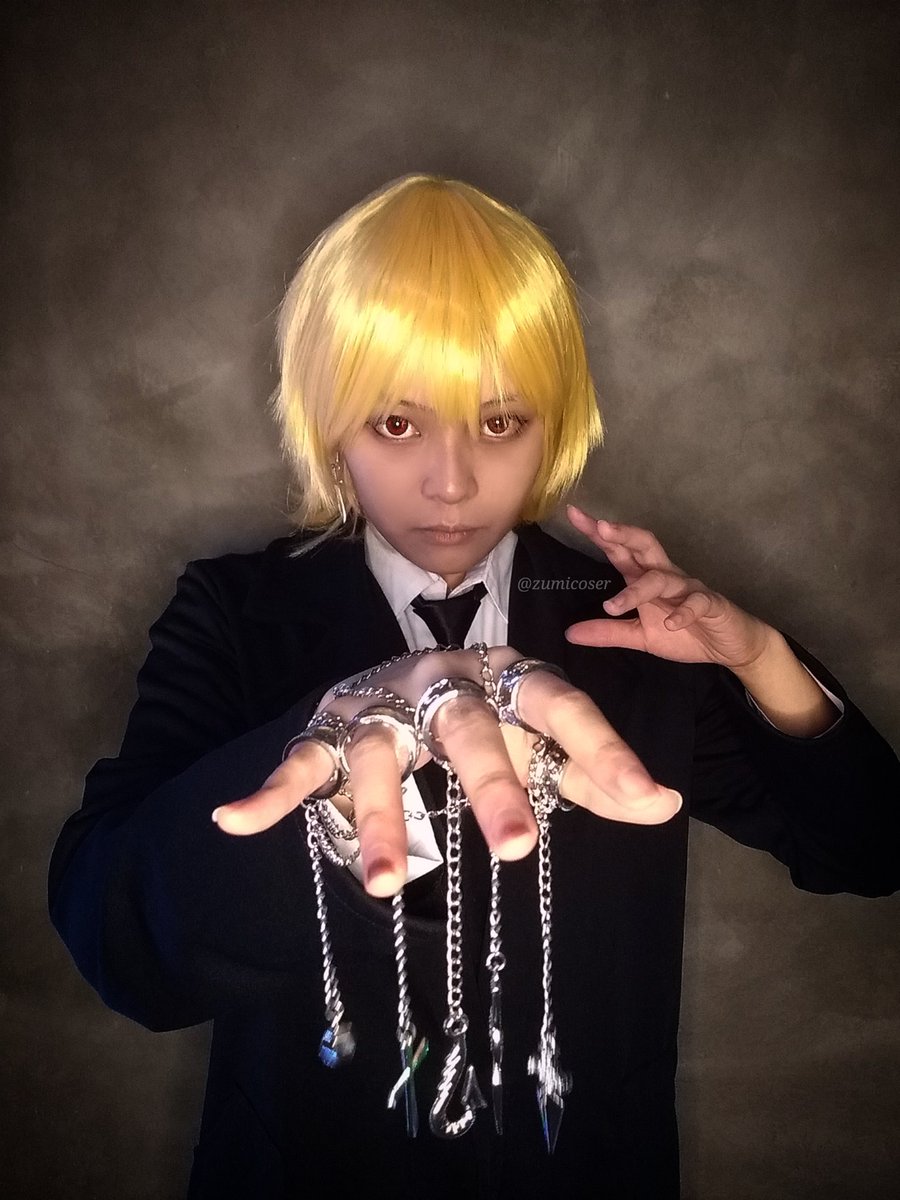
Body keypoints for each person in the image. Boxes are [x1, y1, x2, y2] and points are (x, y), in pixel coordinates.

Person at [48, 174, 900, 1199]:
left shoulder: (630, 626)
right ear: (329, 421)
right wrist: (327, 787)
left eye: (499, 424)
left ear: (555, 421)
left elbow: (868, 848)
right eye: (396, 425)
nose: (450, 483)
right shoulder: (236, 614)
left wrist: (760, 658)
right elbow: (119, 943)